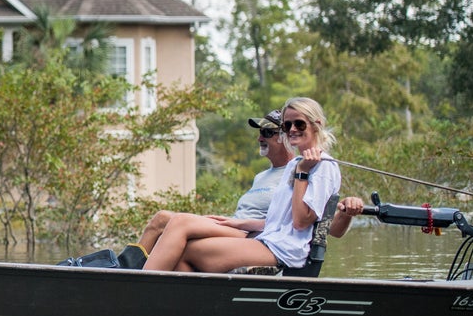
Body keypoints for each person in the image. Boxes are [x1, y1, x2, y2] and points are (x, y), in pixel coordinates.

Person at [143, 97, 341, 273]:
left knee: (187, 240)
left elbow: (300, 222)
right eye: (287, 125)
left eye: (299, 124)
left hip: (285, 250)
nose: (292, 130)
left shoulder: (323, 167)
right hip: (269, 239)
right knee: (184, 249)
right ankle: (180, 307)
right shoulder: (295, 164)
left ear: (316, 124)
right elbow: (278, 220)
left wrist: (303, 173)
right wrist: (238, 222)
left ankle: (138, 289)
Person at [116, 109, 293, 270]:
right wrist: (232, 221)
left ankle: (139, 284)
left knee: (181, 222)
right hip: (233, 225)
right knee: (161, 218)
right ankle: (123, 270)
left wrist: (239, 223)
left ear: (285, 138)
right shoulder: (261, 177)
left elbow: (286, 222)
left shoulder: (294, 172)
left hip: (251, 235)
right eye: (260, 133)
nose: (260, 138)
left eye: (267, 133)